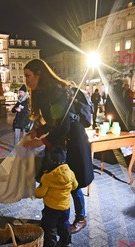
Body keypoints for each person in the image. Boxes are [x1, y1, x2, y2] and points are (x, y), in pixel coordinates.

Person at [22, 59, 94, 234]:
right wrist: (38, 131)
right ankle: (56, 217)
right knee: (56, 178)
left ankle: (81, 217)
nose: (26, 80)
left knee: (73, 180)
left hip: (73, 140)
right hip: (62, 139)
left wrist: (42, 141)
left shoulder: (56, 91)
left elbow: (65, 124)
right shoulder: (42, 92)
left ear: (39, 73)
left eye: (28, 75)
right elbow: (56, 121)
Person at [35, 146, 77, 247]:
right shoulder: (70, 173)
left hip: (51, 207)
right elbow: (75, 186)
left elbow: (40, 193)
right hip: (65, 206)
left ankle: (50, 245)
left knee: (49, 225)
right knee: (65, 223)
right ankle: (66, 241)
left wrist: (36, 191)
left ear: (51, 161)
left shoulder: (48, 176)